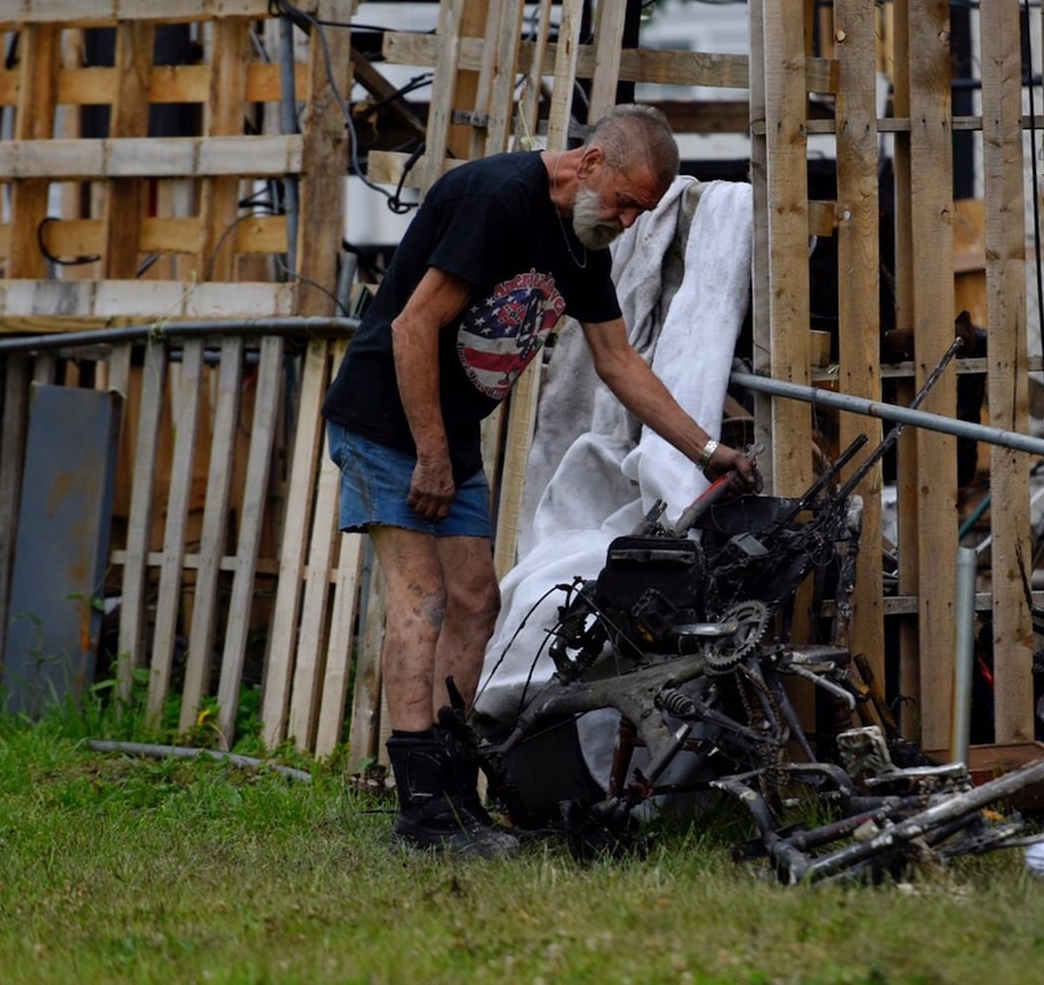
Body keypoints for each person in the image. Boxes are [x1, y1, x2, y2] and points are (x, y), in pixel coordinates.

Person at [322, 104, 759, 856]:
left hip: (443, 434)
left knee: (475, 599)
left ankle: (457, 797)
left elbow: (619, 362)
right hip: (386, 421)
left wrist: (705, 446)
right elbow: (411, 326)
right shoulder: (496, 200)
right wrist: (430, 451)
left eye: (641, 212)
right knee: (421, 600)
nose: (628, 221)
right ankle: (420, 812)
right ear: (590, 163)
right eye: (625, 201)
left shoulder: (582, 240)